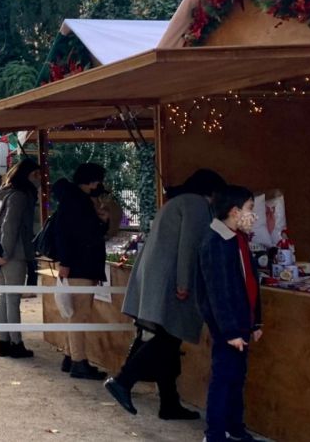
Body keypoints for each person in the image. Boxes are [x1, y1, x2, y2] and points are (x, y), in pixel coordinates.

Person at [105, 169, 227, 419]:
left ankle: (169, 403)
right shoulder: (195, 205)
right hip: (171, 282)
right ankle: (123, 380)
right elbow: (189, 246)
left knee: (165, 341)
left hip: (156, 279)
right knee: (168, 338)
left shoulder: (178, 202)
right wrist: (184, 283)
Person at [198, 186, 262, 442]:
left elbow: (250, 283)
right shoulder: (215, 241)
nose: (252, 215)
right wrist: (230, 331)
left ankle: (235, 427)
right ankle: (214, 433)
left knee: (237, 377)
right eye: (250, 209)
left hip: (241, 322)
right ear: (234, 211)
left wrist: (256, 320)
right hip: (228, 326)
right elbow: (218, 292)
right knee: (224, 378)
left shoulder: (239, 239)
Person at [53, 163, 110, 380]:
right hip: (81, 265)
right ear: (90, 180)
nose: (98, 185)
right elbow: (72, 234)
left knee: (75, 314)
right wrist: (102, 222)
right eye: (97, 180)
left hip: (77, 264)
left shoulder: (72, 200)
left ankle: (70, 356)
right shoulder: (78, 201)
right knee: (80, 315)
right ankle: (79, 361)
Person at [0, 157, 41, 359]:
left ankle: (5, 341)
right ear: (30, 175)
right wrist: (6, 253)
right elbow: (10, 227)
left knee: (5, 297)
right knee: (12, 299)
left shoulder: (7, 194)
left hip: (5, 252)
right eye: (37, 175)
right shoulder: (20, 196)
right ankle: (16, 342)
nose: (40, 179)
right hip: (14, 253)